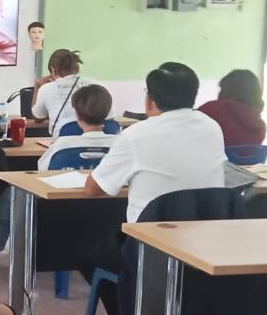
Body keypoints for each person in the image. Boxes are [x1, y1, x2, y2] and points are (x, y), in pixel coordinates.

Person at [0, 83, 117, 266]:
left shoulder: (63, 145)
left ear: (77, 114)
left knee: (12, 194)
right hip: (107, 218)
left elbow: (42, 173)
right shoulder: (119, 145)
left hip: (58, 215)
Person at [85, 62, 226, 224]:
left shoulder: (135, 135)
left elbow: (92, 189)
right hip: (205, 233)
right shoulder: (212, 128)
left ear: (150, 101)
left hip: (151, 235)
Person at [198, 68, 267, 147]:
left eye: (221, 88)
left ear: (226, 89)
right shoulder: (260, 127)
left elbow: (187, 125)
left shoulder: (213, 109)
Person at [30, 49, 85, 130]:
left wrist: (37, 86)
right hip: (94, 136)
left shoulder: (46, 88)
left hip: (62, 136)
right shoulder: (95, 84)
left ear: (53, 69)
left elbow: (38, 118)